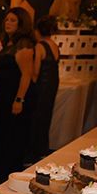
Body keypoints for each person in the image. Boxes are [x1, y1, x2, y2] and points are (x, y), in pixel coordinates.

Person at [0, 7, 37, 181]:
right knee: (2, 133)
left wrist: (19, 100)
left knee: (13, 135)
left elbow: (26, 75)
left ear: (21, 24)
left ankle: (9, 173)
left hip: (15, 96)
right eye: (6, 20)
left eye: (13, 20)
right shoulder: (9, 42)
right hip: (3, 96)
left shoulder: (24, 43)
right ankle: (0, 171)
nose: (7, 23)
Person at [31, 16, 61, 162]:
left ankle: (35, 153)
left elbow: (36, 71)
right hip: (52, 85)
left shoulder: (40, 46)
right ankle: (42, 149)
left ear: (38, 31)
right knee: (45, 117)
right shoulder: (55, 45)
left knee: (36, 119)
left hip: (41, 86)